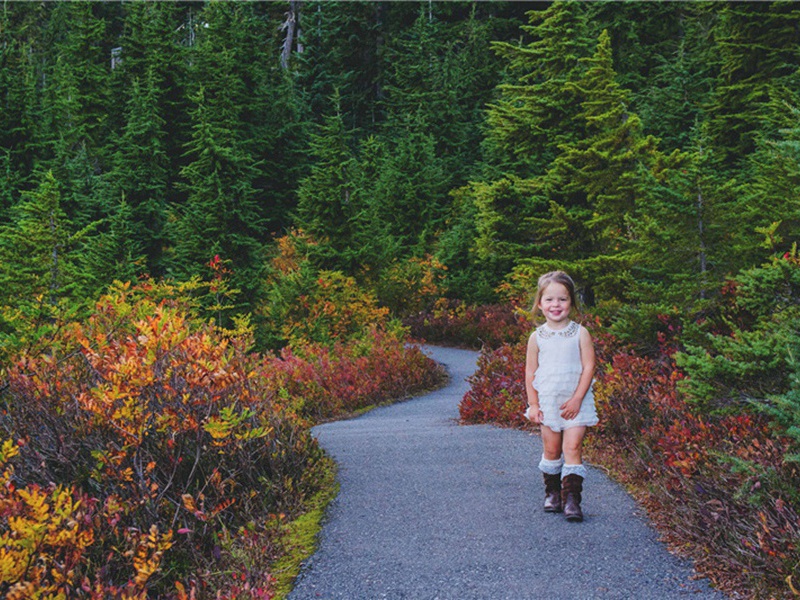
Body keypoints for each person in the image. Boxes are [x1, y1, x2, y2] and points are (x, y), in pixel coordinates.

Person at [524, 270, 598, 522]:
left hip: (577, 401)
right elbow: (530, 371)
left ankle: (572, 500)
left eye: (563, 299)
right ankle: (553, 493)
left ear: (572, 303)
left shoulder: (580, 333)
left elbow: (589, 367)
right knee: (552, 449)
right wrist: (533, 405)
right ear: (540, 304)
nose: (556, 305)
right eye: (549, 300)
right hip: (549, 402)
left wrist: (578, 398)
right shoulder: (537, 337)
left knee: (573, 447)